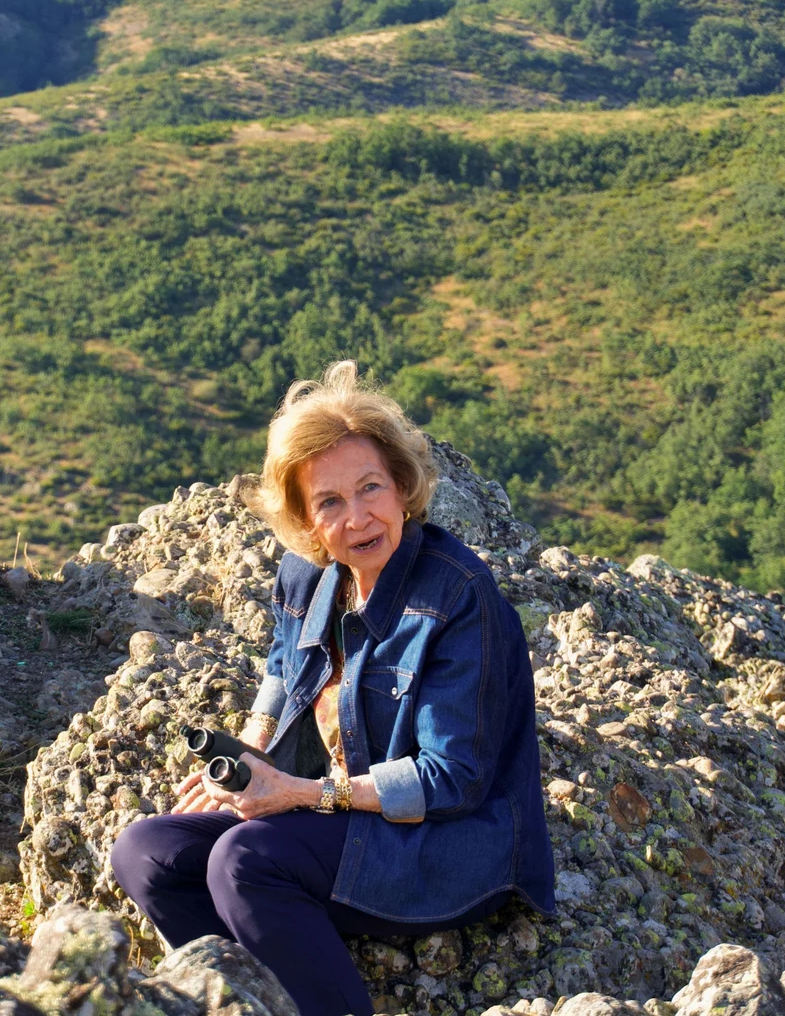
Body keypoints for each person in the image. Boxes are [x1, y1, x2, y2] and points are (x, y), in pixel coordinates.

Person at [109, 361, 555, 1016]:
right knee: (147, 852)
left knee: (243, 860)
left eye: (370, 487)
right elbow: (284, 666)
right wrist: (255, 751)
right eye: (329, 502)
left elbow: (453, 778)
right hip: (336, 827)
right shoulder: (309, 573)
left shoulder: (460, 597)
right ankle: (258, 996)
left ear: (403, 486)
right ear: (307, 521)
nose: (357, 517)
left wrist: (299, 792)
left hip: (441, 846)